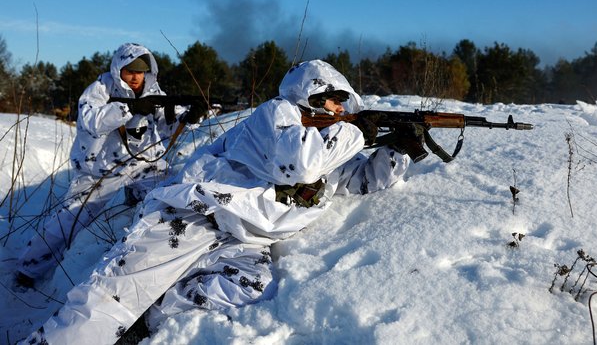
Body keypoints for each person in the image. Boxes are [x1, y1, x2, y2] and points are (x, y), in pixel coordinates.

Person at [20, 59, 415, 345]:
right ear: (314, 95)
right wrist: (356, 133)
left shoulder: (332, 141)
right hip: (192, 215)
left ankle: (151, 315)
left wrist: (404, 149)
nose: (342, 110)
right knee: (107, 300)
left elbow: (360, 179)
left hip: (243, 239)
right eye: (335, 101)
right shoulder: (276, 115)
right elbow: (296, 164)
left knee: (251, 285)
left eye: (346, 105)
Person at [16, 43, 207, 288]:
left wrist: (188, 117)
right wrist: (128, 108)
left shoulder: (153, 90)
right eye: (131, 71)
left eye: (141, 71)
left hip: (142, 167)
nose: (136, 77)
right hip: (100, 171)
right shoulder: (100, 89)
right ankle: (29, 268)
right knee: (70, 219)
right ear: (119, 70)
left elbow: (166, 125)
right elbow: (91, 121)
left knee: (174, 194)